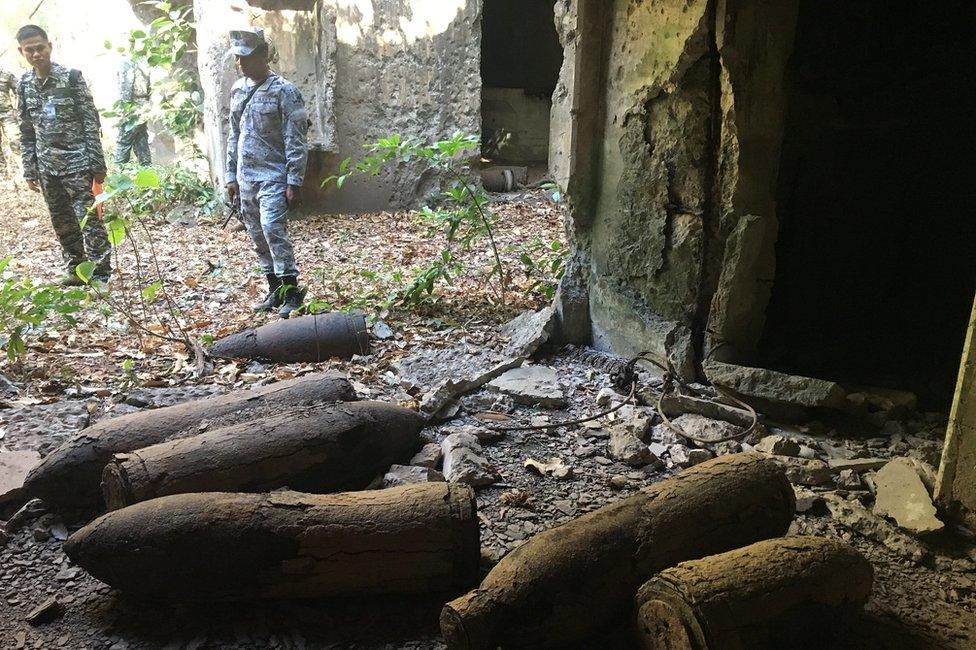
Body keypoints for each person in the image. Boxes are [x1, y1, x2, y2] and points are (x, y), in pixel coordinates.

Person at [16, 24, 111, 285]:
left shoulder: (71, 78)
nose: (36, 54)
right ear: (21, 52)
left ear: (50, 46)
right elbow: (26, 129)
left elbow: (90, 122)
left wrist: (97, 164)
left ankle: (101, 274)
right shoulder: (23, 85)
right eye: (29, 50)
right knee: (62, 222)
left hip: (78, 164)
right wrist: (30, 168)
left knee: (89, 219)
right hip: (47, 167)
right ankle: (76, 270)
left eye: (40, 48)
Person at [225, 28, 308, 319]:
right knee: (256, 233)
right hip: (246, 177)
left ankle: (292, 292)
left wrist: (294, 180)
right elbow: (233, 135)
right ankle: (274, 289)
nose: (241, 64)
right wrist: (230, 177)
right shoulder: (238, 90)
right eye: (238, 58)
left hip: (274, 175)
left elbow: (295, 139)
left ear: (263, 55)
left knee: (273, 228)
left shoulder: (285, 91)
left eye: (246, 57)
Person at [114, 56, 152, 166]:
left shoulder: (127, 61)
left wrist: (123, 111)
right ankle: (148, 172)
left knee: (123, 142)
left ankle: (118, 176)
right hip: (143, 105)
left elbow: (126, 86)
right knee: (141, 141)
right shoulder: (143, 60)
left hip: (132, 106)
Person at [0, 66, 19, 178]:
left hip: (7, 114)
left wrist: (16, 109)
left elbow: (19, 90)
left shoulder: (6, 74)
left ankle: (24, 172)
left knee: (15, 140)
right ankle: (3, 173)